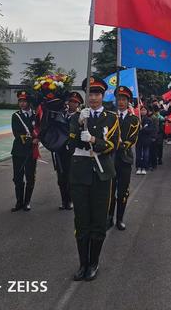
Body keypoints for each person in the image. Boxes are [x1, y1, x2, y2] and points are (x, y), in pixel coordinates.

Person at [68, 76, 120, 281]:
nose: (93, 98)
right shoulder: (77, 117)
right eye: (90, 94)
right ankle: (82, 263)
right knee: (81, 221)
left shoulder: (111, 118)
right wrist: (81, 124)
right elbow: (71, 140)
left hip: (101, 175)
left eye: (97, 94)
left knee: (98, 221)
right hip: (80, 174)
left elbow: (111, 145)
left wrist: (93, 139)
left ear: (103, 95)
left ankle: (93, 263)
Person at [108, 85, 139, 232]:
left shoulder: (134, 119)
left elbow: (132, 139)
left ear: (128, 101)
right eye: (118, 99)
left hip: (125, 158)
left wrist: (121, 144)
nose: (121, 102)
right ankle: (109, 218)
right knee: (110, 189)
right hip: (111, 158)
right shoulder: (109, 117)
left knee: (122, 191)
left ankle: (120, 218)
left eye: (124, 99)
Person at [11, 90, 39, 212]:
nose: (22, 104)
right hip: (18, 151)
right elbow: (17, 133)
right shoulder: (16, 116)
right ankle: (19, 202)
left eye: (24, 101)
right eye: (20, 101)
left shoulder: (36, 115)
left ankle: (27, 202)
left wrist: (38, 138)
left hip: (31, 151)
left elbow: (39, 130)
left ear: (29, 102)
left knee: (30, 177)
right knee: (18, 177)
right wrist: (31, 140)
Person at [56, 91, 83, 210]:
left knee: (71, 177)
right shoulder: (61, 114)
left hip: (73, 151)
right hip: (61, 150)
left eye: (75, 102)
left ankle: (70, 200)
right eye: (71, 101)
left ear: (78, 104)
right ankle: (63, 200)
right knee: (61, 177)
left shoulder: (80, 116)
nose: (73, 104)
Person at [136, 106, 154, 174]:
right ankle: (138, 167)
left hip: (146, 140)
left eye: (144, 110)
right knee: (138, 155)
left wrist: (143, 129)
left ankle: (144, 167)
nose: (143, 111)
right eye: (142, 110)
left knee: (146, 155)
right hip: (139, 140)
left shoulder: (149, 120)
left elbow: (151, 130)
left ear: (147, 111)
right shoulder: (137, 119)